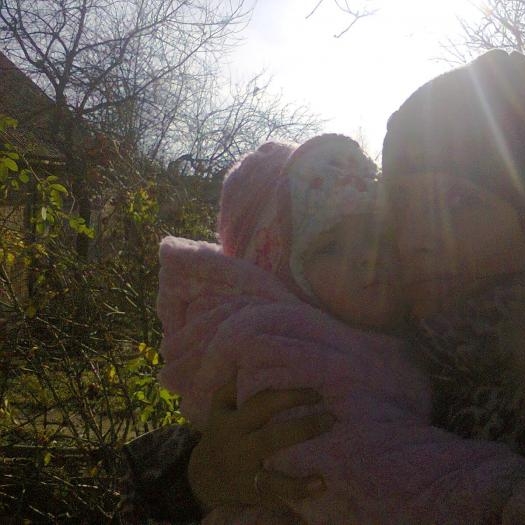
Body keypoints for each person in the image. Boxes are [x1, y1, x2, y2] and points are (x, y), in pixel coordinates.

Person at [121, 50, 525, 524]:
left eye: (459, 202)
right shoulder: (363, 338)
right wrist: (196, 481)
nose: (416, 238)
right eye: (401, 208)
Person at [156, 134, 426, 524]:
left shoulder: (376, 327)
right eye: (329, 246)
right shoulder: (284, 348)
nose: (368, 255)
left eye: (376, 231)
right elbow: (381, 476)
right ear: (282, 276)